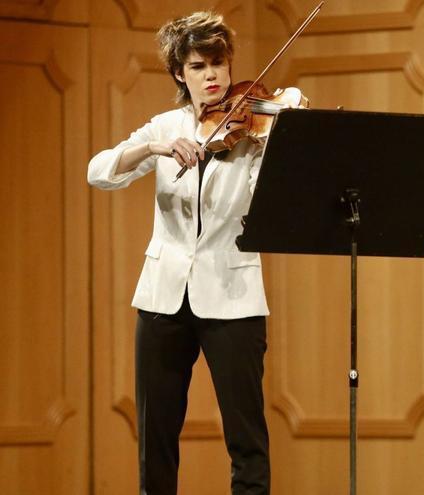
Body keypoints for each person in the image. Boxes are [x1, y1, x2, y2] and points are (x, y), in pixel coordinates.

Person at [88, 12, 304, 495]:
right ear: (179, 75)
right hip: (163, 299)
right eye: (198, 66)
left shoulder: (254, 125)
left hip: (233, 296)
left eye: (219, 64)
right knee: (157, 437)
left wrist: (274, 144)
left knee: (246, 439)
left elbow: (268, 201)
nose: (212, 76)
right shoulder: (165, 126)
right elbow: (98, 171)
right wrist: (154, 150)